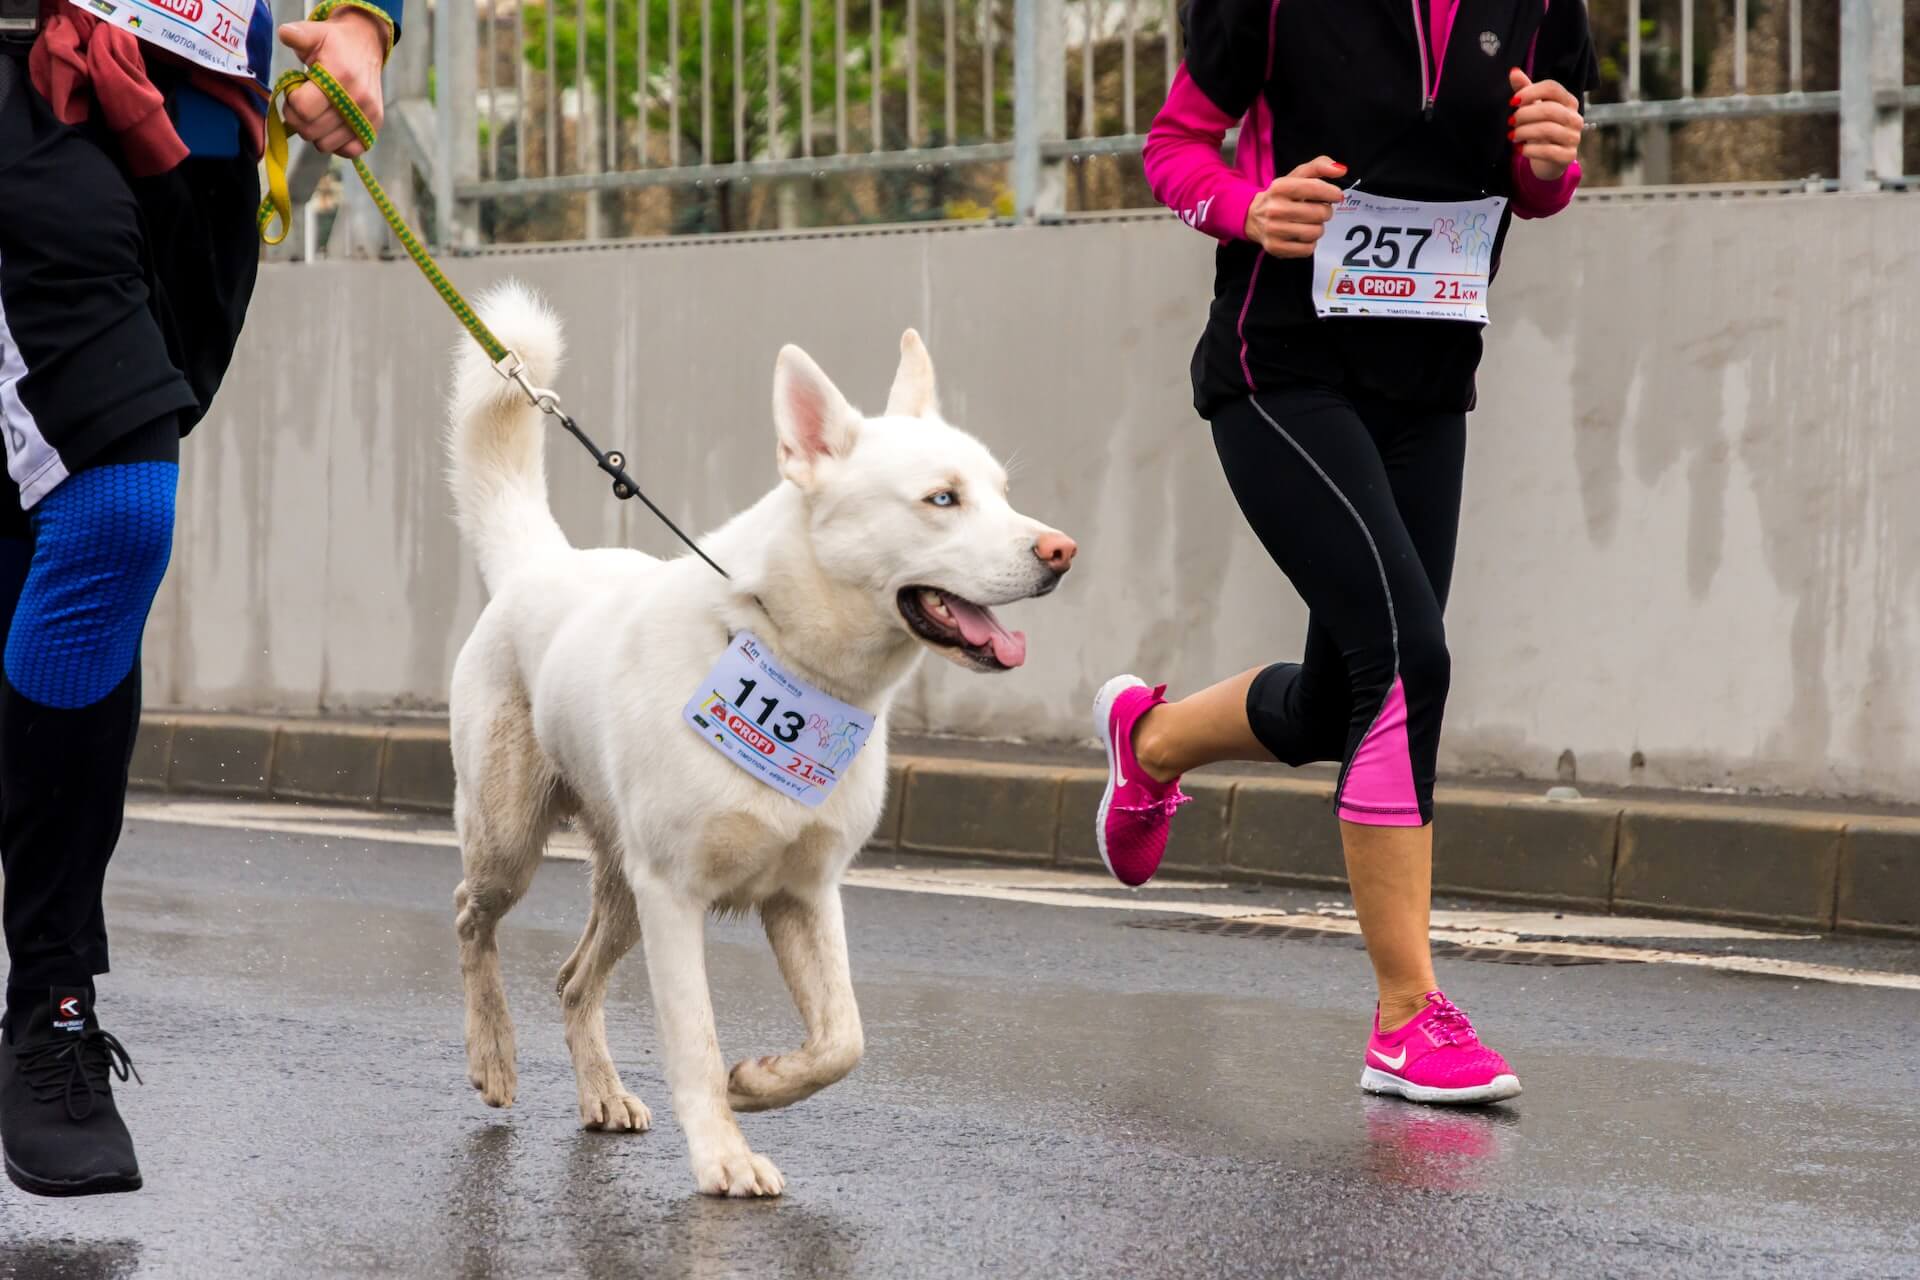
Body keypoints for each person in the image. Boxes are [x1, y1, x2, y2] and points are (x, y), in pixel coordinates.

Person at [1094, 0, 1596, 1105]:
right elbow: (1174, 147)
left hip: (1427, 386)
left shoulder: (1542, 6)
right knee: (1409, 658)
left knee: (1342, 699)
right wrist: (1244, 207)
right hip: (1280, 374)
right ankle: (1408, 1016)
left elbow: (1536, 178)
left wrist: (1553, 162)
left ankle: (1153, 739)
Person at [0, 0, 397, 1195]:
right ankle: (54, 1005)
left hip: (201, 123)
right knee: (118, 506)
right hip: (29, 76)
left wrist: (360, 24)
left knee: (43, 547)